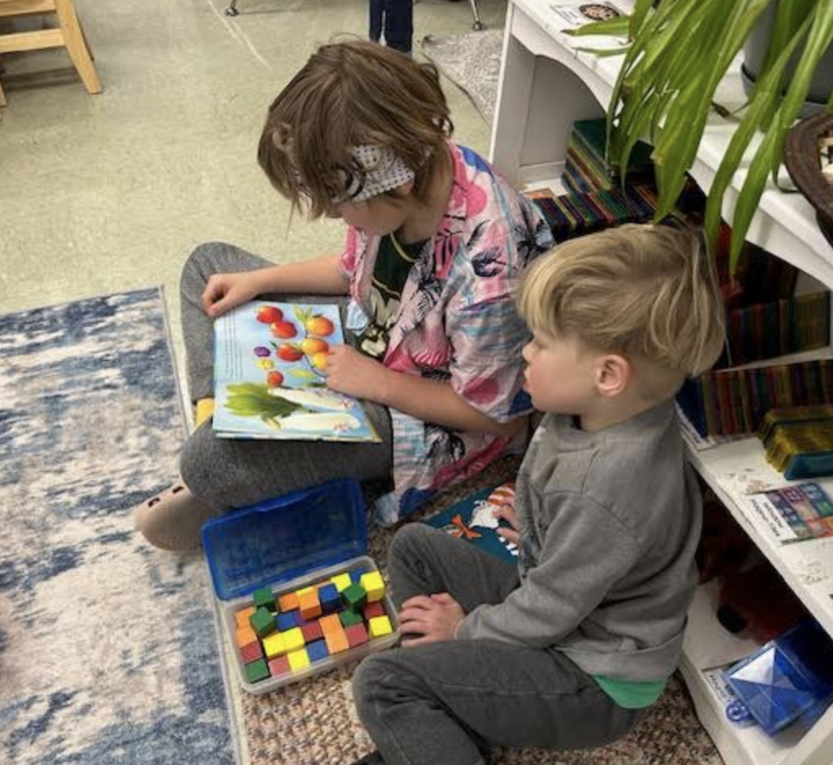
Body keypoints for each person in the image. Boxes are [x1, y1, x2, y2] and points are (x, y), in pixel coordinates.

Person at [132, 40, 552, 551]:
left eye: (337, 201)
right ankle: (221, 428)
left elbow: (499, 417)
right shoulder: (410, 181)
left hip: (415, 412)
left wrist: (374, 382)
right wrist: (260, 282)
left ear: (392, 182)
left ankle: (221, 467)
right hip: (366, 340)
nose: (331, 215)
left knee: (204, 462)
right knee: (208, 265)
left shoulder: (491, 270)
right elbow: (352, 270)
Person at [349, 223, 727, 765]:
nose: (525, 352)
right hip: (562, 606)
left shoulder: (606, 485)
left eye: (541, 343)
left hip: (593, 676)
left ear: (608, 374)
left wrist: (463, 631)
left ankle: (430, 704)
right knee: (412, 546)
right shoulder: (612, 407)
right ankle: (447, 709)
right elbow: (579, 545)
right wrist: (535, 525)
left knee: (382, 683)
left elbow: (549, 610)